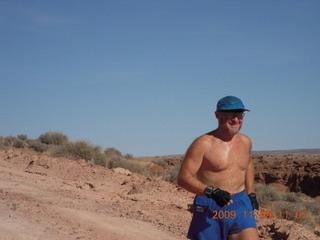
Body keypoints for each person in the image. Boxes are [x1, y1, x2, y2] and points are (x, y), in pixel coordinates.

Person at [178, 96, 259, 240]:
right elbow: (183, 178)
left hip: (241, 203)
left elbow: (248, 165)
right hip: (211, 205)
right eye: (230, 114)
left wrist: (251, 193)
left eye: (239, 114)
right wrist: (211, 192)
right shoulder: (203, 144)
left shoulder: (246, 141)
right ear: (217, 115)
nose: (236, 119)